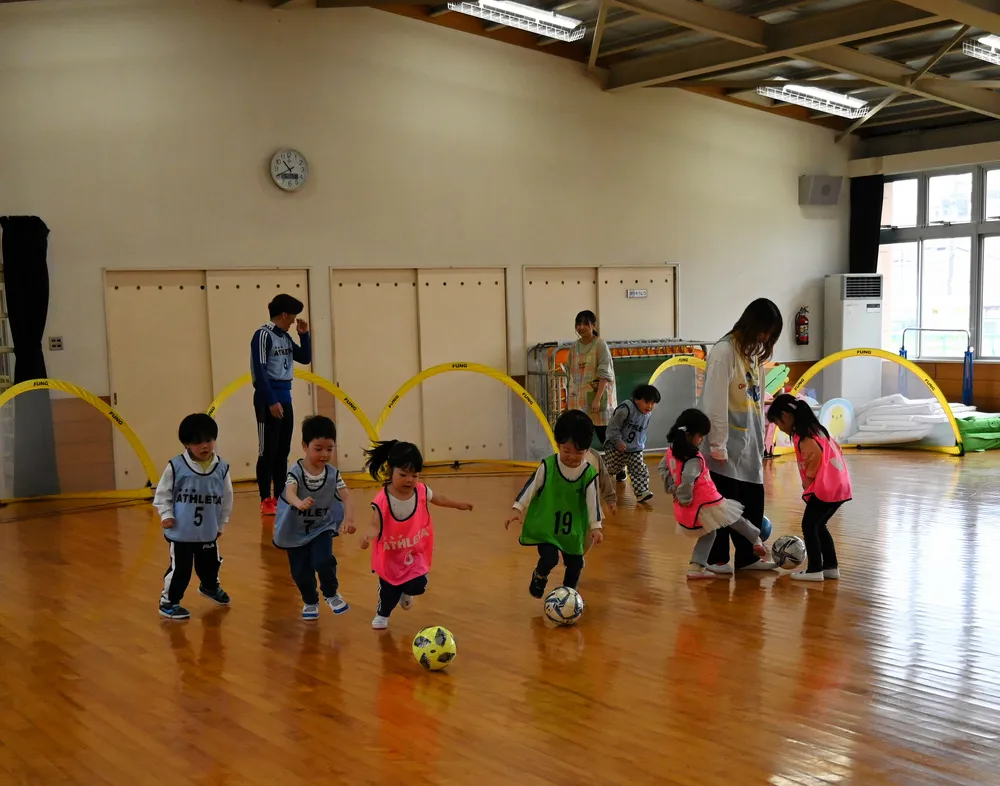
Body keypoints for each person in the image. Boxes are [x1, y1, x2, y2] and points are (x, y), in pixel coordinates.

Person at [701, 298, 783, 573]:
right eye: (764, 331)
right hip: (724, 444)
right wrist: (717, 443)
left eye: (770, 336)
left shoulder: (752, 354)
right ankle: (716, 559)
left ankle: (747, 557)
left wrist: (760, 441)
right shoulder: (723, 351)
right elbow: (713, 402)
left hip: (749, 445)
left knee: (751, 502)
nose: (765, 338)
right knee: (722, 505)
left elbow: (757, 404)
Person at [360, 440, 474, 630]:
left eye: (414, 475)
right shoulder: (382, 499)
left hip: (413, 552)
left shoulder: (420, 491)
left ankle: (407, 592)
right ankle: (383, 614)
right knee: (389, 593)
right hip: (391, 555)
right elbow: (375, 524)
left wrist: (458, 504)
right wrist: (367, 535)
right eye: (403, 474)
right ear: (390, 470)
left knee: (418, 584)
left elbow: (440, 499)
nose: (409, 480)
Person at [659, 408, 769, 580]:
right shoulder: (693, 457)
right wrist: (684, 496)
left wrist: (673, 488)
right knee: (736, 519)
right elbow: (688, 478)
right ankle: (757, 540)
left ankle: (696, 567)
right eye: (700, 435)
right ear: (690, 434)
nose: (702, 439)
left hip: (696, 502)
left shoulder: (671, 451)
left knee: (709, 533)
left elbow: (664, 469)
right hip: (706, 500)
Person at [506, 409, 604, 598]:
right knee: (549, 558)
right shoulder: (548, 466)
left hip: (572, 529)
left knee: (576, 564)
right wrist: (517, 508)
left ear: (587, 449)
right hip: (547, 527)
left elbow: (593, 502)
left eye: (579, 452)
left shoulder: (588, 474)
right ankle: (540, 575)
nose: (572, 457)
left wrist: (596, 527)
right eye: (567, 451)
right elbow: (530, 487)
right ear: (558, 444)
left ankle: (568, 595)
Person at [273, 415, 356, 619]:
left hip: (321, 527)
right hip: (295, 530)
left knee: (323, 560)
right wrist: (298, 503)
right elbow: (290, 491)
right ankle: (310, 601)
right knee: (300, 572)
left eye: (329, 448)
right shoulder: (296, 472)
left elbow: (347, 497)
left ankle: (331, 593)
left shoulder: (333, 474)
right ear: (305, 446)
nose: (324, 454)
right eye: (318, 449)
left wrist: (349, 520)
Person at [154, 413, 234, 620]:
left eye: (208, 440)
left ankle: (209, 586)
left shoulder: (222, 468)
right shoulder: (176, 466)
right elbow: (162, 494)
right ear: (186, 444)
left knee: (210, 563)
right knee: (181, 568)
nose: (204, 446)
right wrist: (166, 514)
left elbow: (227, 498)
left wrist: (221, 523)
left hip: (208, 530)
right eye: (197, 442)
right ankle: (169, 602)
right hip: (182, 531)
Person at [767, 394, 852, 582]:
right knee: (819, 525)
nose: (779, 428)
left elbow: (813, 459)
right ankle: (830, 567)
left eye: (777, 423)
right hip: (840, 485)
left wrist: (810, 481)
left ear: (786, 416)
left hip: (826, 487)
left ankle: (815, 569)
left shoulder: (804, 436)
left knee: (809, 525)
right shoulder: (816, 430)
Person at [251, 294, 312, 516]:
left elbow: (305, 358)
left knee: (282, 449)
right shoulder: (263, 335)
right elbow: (260, 371)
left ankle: (279, 495)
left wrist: (304, 335)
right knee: (267, 450)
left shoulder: (285, 337)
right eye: (293, 316)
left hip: (286, 397)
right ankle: (265, 498)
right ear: (284, 314)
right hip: (268, 398)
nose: (293, 321)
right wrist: (271, 401)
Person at [565, 310, 619, 475]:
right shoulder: (574, 347)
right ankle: (581, 467)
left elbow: (605, 373)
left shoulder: (600, 345)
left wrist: (597, 398)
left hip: (598, 397)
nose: (581, 327)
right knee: (579, 433)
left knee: (604, 435)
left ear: (593, 326)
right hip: (579, 399)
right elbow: (570, 372)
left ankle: (618, 467)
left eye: (585, 324)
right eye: (578, 324)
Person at [603, 383, 661, 505]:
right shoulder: (625, 410)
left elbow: (641, 431)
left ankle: (641, 492)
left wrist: (640, 445)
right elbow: (613, 427)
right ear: (637, 399)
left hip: (635, 448)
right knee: (611, 468)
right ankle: (617, 471)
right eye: (647, 402)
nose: (650, 406)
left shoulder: (647, 414)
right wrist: (617, 440)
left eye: (653, 403)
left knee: (638, 468)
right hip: (616, 446)